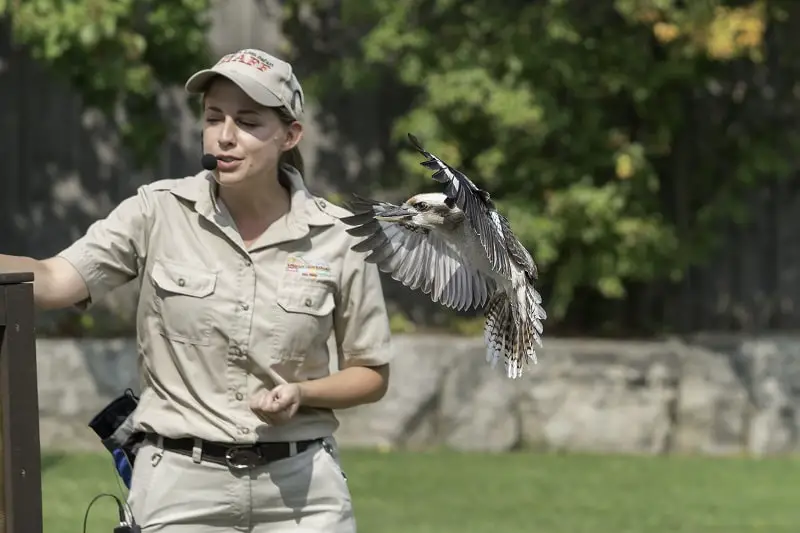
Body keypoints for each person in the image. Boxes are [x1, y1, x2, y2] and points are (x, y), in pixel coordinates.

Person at [0, 47, 393, 532]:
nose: (225, 137)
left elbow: (371, 372)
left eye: (248, 122)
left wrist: (302, 392)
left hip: (304, 492)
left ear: (290, 135)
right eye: (213, 118)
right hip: (178, 490)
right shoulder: (157, 212)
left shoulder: (341, 236)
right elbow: (54, 278)